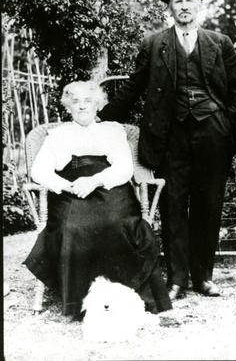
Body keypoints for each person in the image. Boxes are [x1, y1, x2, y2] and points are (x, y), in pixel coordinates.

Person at [98, 0, 236, 300]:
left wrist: (226, 122)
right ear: (170, 7)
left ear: (199, 7)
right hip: (169, 136)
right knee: (173, 205)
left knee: (209, 204)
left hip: (213, 133)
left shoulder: (219, 43)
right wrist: (103, 119)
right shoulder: (154, 44)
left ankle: (204, 278)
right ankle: (178, 279)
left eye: (189, 1)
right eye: (178, 1)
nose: (184, 7)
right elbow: (133, 87)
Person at [23, 81, 172, 318]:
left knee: (118, 224)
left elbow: (124, 168)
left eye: (88, 101)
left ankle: (126, 294)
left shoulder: (112, 130)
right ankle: (79, 300)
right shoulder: (57, 135)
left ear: (98, 105)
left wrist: (95, 181)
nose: (82, 106)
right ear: (68, 107)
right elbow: (39, 171)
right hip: (70, 190)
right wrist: (66, 185)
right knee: (73, 227)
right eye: (76, 101)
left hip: (110, 186)